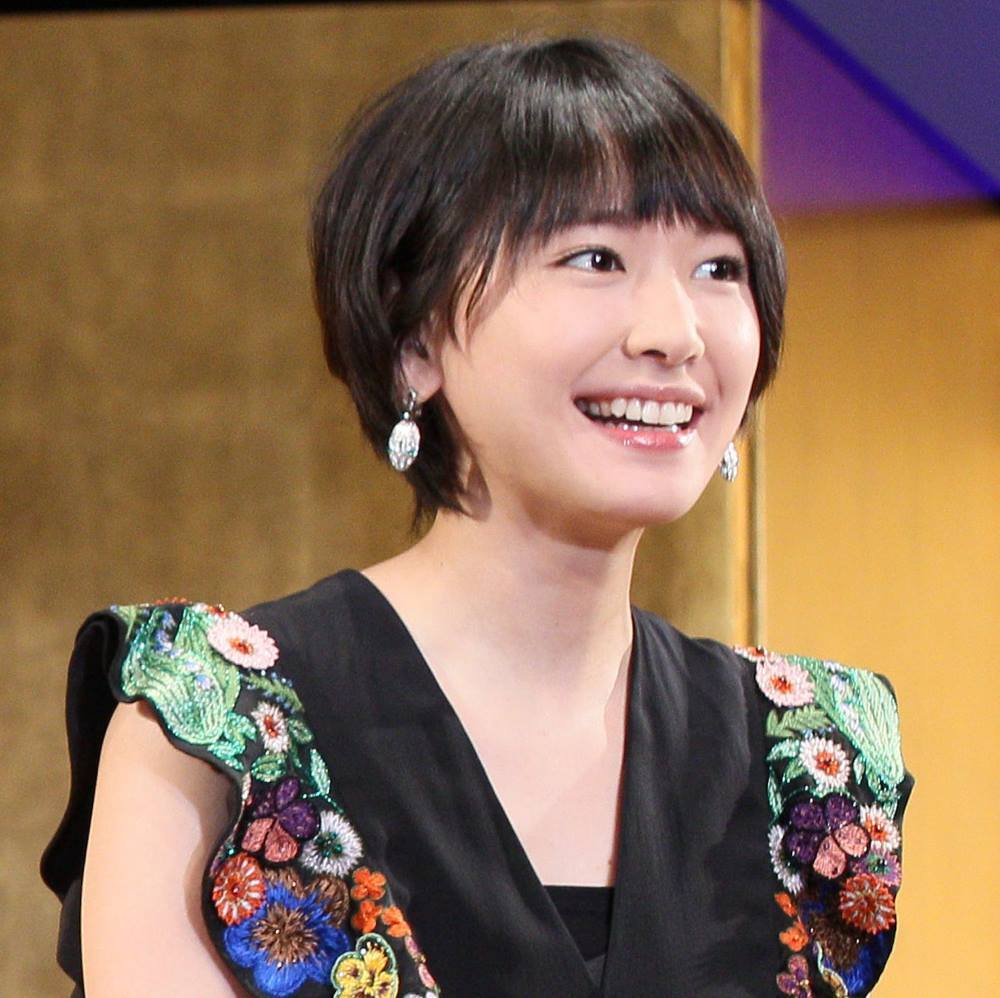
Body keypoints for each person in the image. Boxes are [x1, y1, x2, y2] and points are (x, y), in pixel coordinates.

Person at [41, 35, 911, 998]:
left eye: (719, 268)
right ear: (415, 342)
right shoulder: (214, 723)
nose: (674, 334)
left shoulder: (810, 758)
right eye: (595, 257)